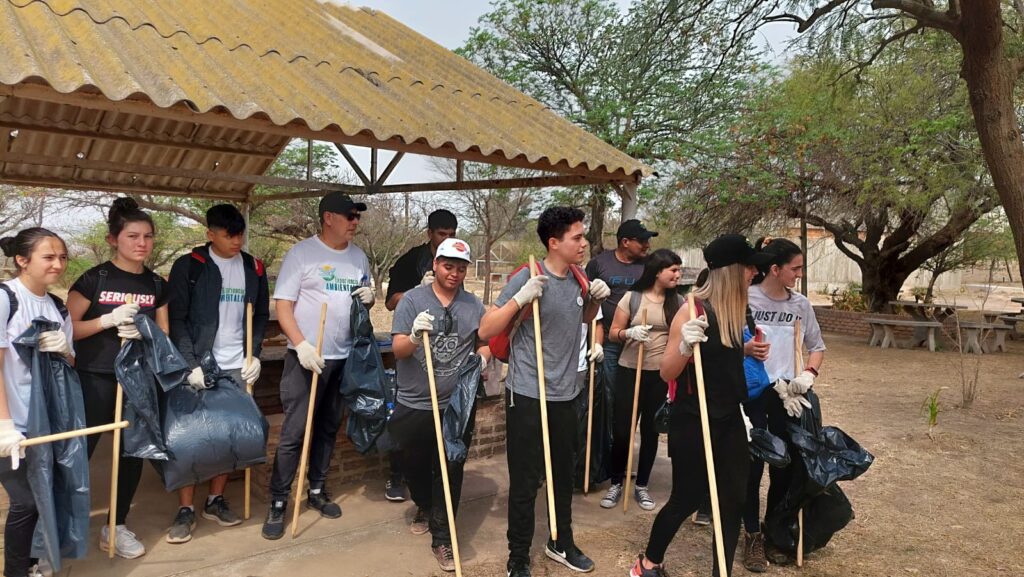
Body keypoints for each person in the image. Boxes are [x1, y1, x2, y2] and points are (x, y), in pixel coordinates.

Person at [480, 206, 610, 577]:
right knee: (524, 480)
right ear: (554, 242)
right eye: (577, 237)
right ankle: (518, 557)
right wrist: (520, 299)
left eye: (583, 236)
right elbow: (487, 330)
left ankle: (560, 541)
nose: (584, 243)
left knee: (562, 474)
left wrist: (595, 301)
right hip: (528, 394)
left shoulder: (579, 277)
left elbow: (582, 318)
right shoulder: (528, 275)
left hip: (567, 393)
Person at [630, 234, 770, 577]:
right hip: (694, 418)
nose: (754, 272)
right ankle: (647, 563)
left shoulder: (735, 309)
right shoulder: (692, 311)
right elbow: (666, 371)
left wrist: (745, 351)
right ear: (731, 270)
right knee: (688, 497)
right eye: (749, 266)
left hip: (729, 418)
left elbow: (720, 360)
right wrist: (682, 347)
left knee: (732, 500)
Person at [261, 192, 375, 540]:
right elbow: (282, 307)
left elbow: (363, 299)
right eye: (350, 216)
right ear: (329, 218)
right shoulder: (302, 254)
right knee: (295, 432)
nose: (355, 222)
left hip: (343, 359)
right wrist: (301, 344)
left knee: (328, 428)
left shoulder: (358, 258)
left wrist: (370, 297)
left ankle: (316, 489)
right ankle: (279, 501)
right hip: (307, 358)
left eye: (357, 217)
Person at [67, 198, 168, 559]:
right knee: (80, 452)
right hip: (94, 378)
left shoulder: (157, 283)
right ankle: (64, 525)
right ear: (114, 239)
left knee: (131, 452)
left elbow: (164, 334)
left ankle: (117, 525)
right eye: (133, 236)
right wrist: (106, 321)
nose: (141, 243)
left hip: (138, 380)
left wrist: (148, 334)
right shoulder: (96, 278)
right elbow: (67, 331)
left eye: (148, 237)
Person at [165, 204, 270, 544]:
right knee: (190, 439)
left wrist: (254, 354)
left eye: (240, 234)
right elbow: (177, 318)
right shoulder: (190, 266)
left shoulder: (254, 267)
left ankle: (215, 500)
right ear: (210, 234)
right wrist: (189, 362)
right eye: (228, 236)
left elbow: (262, 314)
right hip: (197, 364)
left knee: (228, 436)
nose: (236, 241)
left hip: (236, 365)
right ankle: (185, 508)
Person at [388, 238, 489, 572]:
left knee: (451, 467)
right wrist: (415, 337)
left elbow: (486, 342)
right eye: (448, 266)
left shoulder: (473, 305)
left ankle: (443, 538)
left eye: (461, 268)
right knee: (414, 466)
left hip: (456, 404)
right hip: (416, 401)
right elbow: (399, 349)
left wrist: (481, 359)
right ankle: (424, 503)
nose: (455, 273)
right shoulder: (412, 301)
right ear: (435, 265)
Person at [743, 237, 826, 570]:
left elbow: (817, 347)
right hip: (753, 394)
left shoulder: (800, 304)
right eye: (796, 268)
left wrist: (808, 374)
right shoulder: (745, 298)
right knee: (752, 466)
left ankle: (775, 531)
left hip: (789, 396)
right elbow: (725, 344)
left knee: (785, 466)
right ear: (775, 269)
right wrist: (745, 351)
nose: (799, 274)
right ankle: (751, 536)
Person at [0, 228, 77, 577]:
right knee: (26, 501)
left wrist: (63, 348)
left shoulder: (57, 306)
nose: (58, 264)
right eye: (48, 257)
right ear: (21, 260)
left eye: (62, 257)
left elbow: (71, 362)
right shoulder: (6, 298)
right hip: (8, 424)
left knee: (42, 496)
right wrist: (3, 426)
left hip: (42, 421)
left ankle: (31, 563)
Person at [382, 210, 456, 502]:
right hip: (413, 348)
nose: (446, 240)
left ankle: (435, 484)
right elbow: (390, 303)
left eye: (451, 235)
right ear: (430, 234)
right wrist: (417, 291)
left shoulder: (457, 264)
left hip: (445, 351)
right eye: (441, 234)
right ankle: (396, 476)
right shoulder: (411, 260)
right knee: (408, 421)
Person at [602, 249, 681, 511]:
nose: (677, 275)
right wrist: (629, 333)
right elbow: (613, 333)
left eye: (679, 270)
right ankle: (616, 482)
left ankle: (642, 486)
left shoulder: (678, 303)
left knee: (651, 431)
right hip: (629, 370)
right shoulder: (632, 298)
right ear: (658, 271)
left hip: (659, 375)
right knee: (623, 430)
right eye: (673, 270)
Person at [584, 220, 656, 412]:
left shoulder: (649, 265)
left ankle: (628, 433)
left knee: (635, 396)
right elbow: (586, 299)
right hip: (609, 341)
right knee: (611, 394)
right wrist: (595, 341)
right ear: (625, 242)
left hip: (641, 340)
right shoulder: (598, 264)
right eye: (642, 241)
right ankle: (609, 437)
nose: (647, 245)